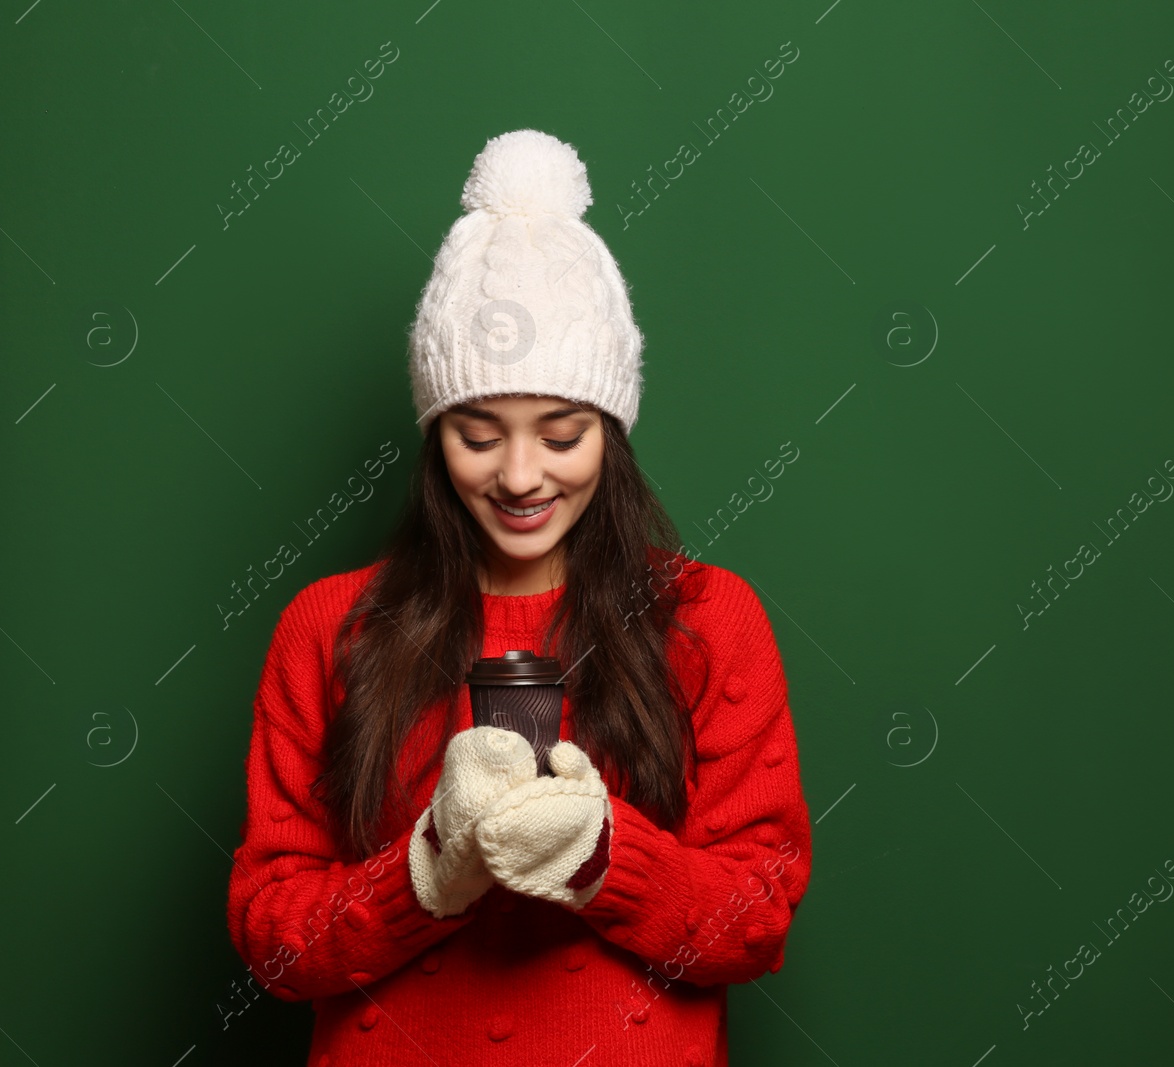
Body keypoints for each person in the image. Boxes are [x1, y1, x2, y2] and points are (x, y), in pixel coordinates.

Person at [225, 128, 813, 1067]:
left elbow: (757, 920)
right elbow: (273, 939)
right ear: (434, 435)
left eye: (562, 431)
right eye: (477, 432)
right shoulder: (328, 625)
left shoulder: (706, 618)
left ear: (611, 431)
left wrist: (599, 853)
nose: (521, 474)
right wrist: (428, 872)